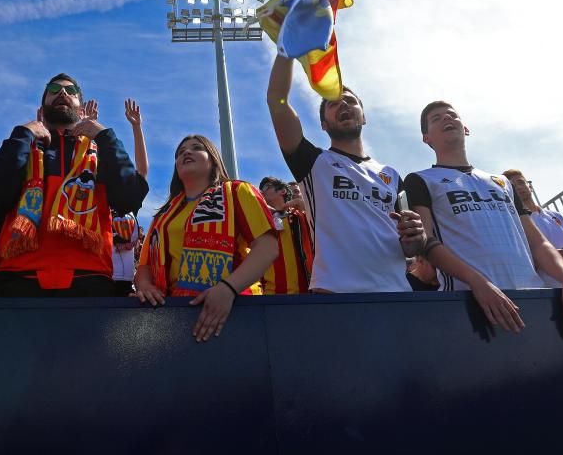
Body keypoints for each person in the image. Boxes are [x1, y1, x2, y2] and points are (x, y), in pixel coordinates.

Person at [403, 101, 563, 337]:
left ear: (466, 128)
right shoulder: (421, 180)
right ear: (426, 138)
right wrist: (477, 281)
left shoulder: (502, 182)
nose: (446, 119)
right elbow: (426, 241)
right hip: (470, 300)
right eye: (436, 119)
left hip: (530, 296)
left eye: (452, 115)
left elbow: (537, 242)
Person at [0, 73, 148, 297]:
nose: (63, 93)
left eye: (71, 91)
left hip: (89, 281)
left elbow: (130, 198)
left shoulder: (100, 152)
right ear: (41, 109)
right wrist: (23, 134)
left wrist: (106, 137)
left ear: (81, 108)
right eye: (54, 90)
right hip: (17, 280)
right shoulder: (23, 147)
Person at [266, 54, 427, 293]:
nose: (343, 105)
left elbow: (410, 248)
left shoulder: (391, 175)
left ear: (364, 116)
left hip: (395, 295)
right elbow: (276, 100)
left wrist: (416, 237)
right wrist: (286, 50)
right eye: (333, 103)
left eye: (350, 101)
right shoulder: (314, 162)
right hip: (334, 294)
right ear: (323, 124)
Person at [132, 135, 279, 342]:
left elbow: (267, 247)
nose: (186, 152)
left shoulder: (238, 191)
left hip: (235, 309)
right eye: (181, 152)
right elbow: (145, 265)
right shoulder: (163, 216)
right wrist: (145, 287)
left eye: (196, 148)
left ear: (213, 159)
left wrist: (227, 289)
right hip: (174, 315)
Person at [502, 169, 563, 287]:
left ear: (530, 186)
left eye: (521, 182)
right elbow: (520, 260)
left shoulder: (556, 215)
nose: (518, 188)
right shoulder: (514, 223)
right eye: (512, 186)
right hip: (553, 287)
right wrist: (550, 257)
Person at [257, 176, 313, 294]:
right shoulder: (259, 220)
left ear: (282, 191)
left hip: (304, 294)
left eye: (267, 187)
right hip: (268, 295)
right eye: (261, 190)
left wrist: (304, 206)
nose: (262, 192)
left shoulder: (299, 216)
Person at [110, 210, 140, 296]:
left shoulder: (129, 213)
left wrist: (127, 244)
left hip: (123, 276)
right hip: (110, 274)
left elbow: (133, 237)